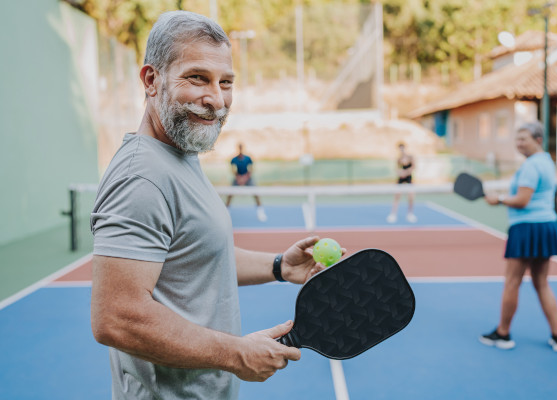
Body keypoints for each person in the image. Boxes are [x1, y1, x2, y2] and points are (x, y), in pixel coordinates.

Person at [90, 11, 331, 400]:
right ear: (152, 80)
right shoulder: (143, 177)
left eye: (226, 82)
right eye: (197, 78)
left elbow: (195, 254)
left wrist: (279, 266)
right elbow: (116, 318)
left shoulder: (179, 155)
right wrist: (235, 353)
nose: (216, 99)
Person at [479, 121, 557, 352]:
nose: (519, 144)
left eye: (523, 139)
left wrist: (497, 199)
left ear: (538, 140)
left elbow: (522, 200)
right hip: (547, 225)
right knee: (541, 283)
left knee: (512, 282)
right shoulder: (547, 162)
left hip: (527, 228)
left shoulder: (530, 166)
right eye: (517, 139)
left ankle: (503, 333)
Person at [226, 143, 267, 222]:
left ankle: (260, 213)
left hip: (247, 178)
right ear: (238, 148)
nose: (240, 149)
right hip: (238, 178)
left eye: (241, 147)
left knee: (256, 194)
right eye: (239, 147)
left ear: (243, 148)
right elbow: (232, 170)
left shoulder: (248, 158)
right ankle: (227, 212)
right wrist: (238, 178)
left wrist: (245, 177)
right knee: (230, 194)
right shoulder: (234, 159)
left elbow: (251, 169)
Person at [387, 142, 417, 223]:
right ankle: (393, 214)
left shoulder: (410, 157)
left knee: (411, 197)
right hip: (401, 179)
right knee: (397, 196)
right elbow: (397, 168)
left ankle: (410, 214)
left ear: (405, 148)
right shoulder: (399, 159)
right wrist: (400, 173)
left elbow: (413, 167)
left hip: (409, 178)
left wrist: (406, 172)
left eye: (402, 148)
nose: (401, 150)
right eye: (400, 148)